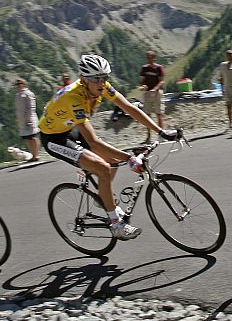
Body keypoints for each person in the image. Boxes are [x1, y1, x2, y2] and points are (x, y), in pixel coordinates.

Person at [39, 54, 178, 240]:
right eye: (96, 78)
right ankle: (116, 224)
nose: (101, 82)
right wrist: (128, 158)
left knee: (111, 161)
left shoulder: (102, 87)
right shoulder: (74, 98)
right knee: (103, 168)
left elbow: (129, 108)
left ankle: (102, 197)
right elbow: (94, 141)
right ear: (84, 79)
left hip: (70, 127)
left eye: (104, 77)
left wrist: (161, 131)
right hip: (53, 138)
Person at [139, 50, 165, 143]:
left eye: (150, 57)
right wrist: (143, 86)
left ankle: (161, 135)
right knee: (147, 115)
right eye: (147, 57)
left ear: (154, 58)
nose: (148, 59)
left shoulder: (159, 68)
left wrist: (155, 89)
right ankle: (149, 136)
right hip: (147, 93)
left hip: (157, 93)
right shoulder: (144, 68)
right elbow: (142, 80)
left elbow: (161, 81)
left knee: (159, 114)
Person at [15, 77, 41, 161]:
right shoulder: (18, 95)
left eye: (20, 84)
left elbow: (31, 107)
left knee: (33, 137)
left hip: (29, 119)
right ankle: (33, 155)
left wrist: (29, 118)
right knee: (28, 138)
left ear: (24, 84)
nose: (18, 86)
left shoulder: (28, 94)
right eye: (17, 84)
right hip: (22, 120)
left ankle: (36, 154)